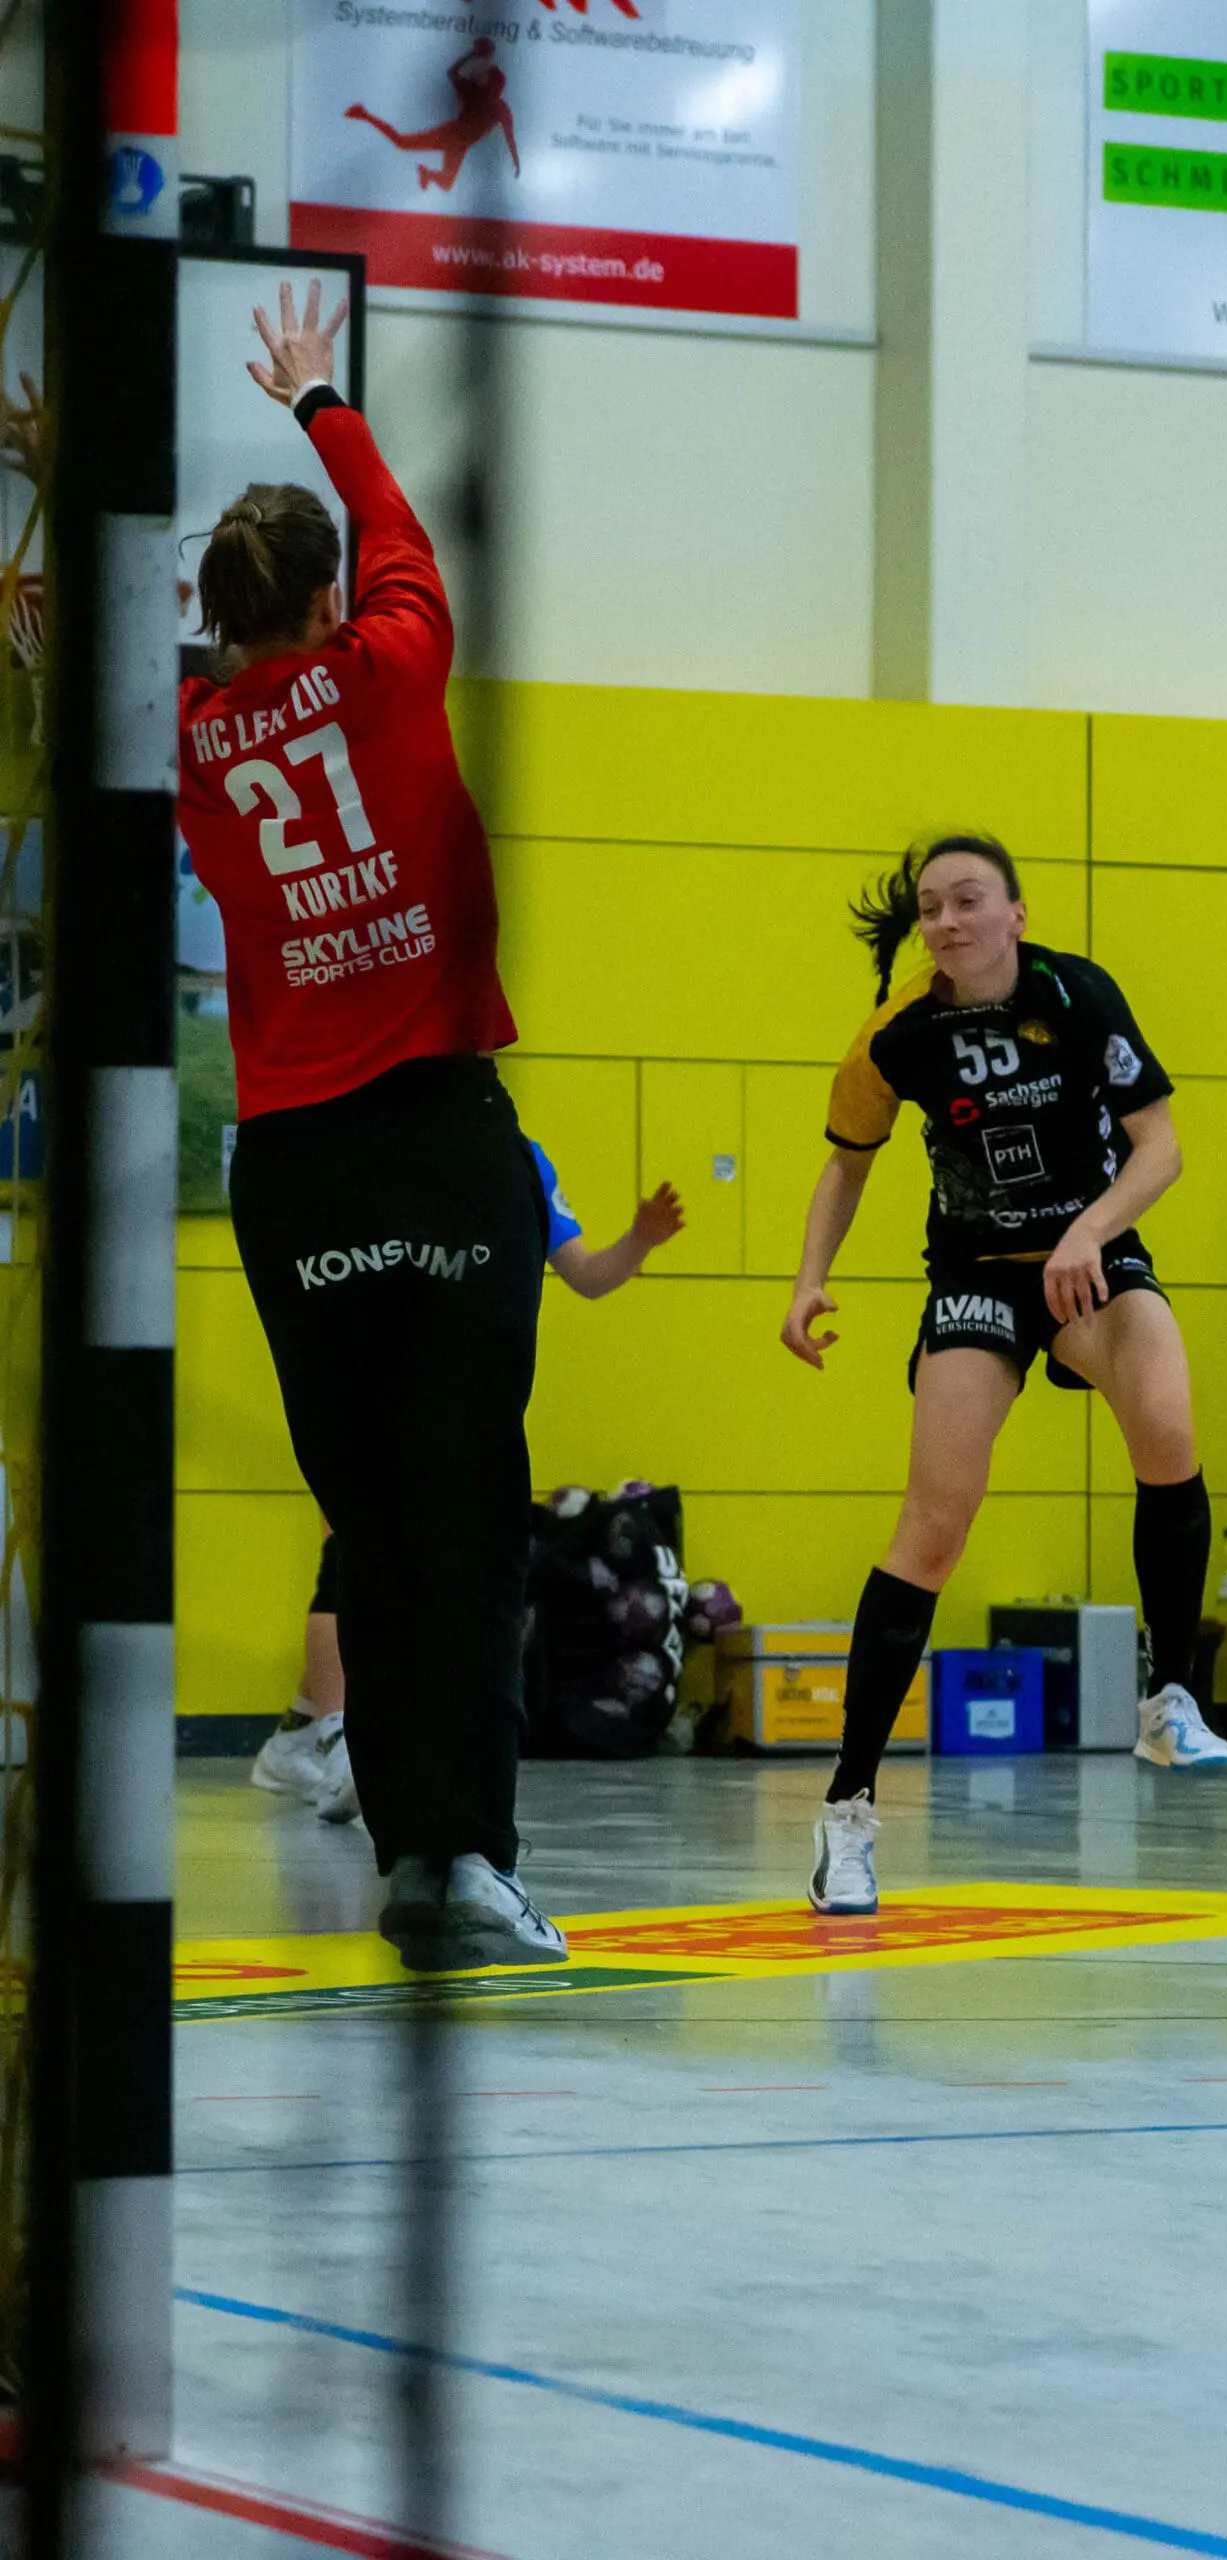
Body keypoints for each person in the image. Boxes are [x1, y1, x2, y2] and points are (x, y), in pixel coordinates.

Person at [179, 280, 560, 1967]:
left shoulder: (193, 743)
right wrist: (320, 402)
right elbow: (399, 520)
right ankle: (466, 1864)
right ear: (330, 600)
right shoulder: (393, 662)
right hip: (436, 1140)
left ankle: (415, 1860)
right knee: (467, 1517)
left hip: (295, 1169)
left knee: (376, 1528)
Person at [782, 834, 1227, 1916]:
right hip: (976, 1275)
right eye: (931, 907)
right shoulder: (897, 1034)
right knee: (933, 1527)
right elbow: (846, 1163)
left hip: (1091, 1252)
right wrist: (807, 1281)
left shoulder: (1077, 994)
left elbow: (1160, 1148)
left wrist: (1088, 1231)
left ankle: (1169, 1696)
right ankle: (847, 1813)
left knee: (1166, 1422)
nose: (947, 921)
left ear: (1016, 913)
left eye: (968, 899)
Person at [255, 1149, 686, 1819]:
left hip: (460, 1391)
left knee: (435, 1568)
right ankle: (338, 1733)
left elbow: (588, 1275)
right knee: (353, 1548)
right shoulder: (382, 1144)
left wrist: (639, 1240)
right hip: (370, 1370)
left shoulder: (521, 1161)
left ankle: (309, 1732)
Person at [345, 39, 521, 189]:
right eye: (492, 85)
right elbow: (452, 73)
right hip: (450, 135)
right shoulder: (475, 92)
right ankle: (364, 114)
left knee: (446, 184)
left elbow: (510, 137)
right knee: (402, 142)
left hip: (459, 146)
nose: (495, 89)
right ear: (488, 84)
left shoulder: (501, 108)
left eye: (498, 86)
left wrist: (516, 161)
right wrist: (472, 54)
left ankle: (427, 173)